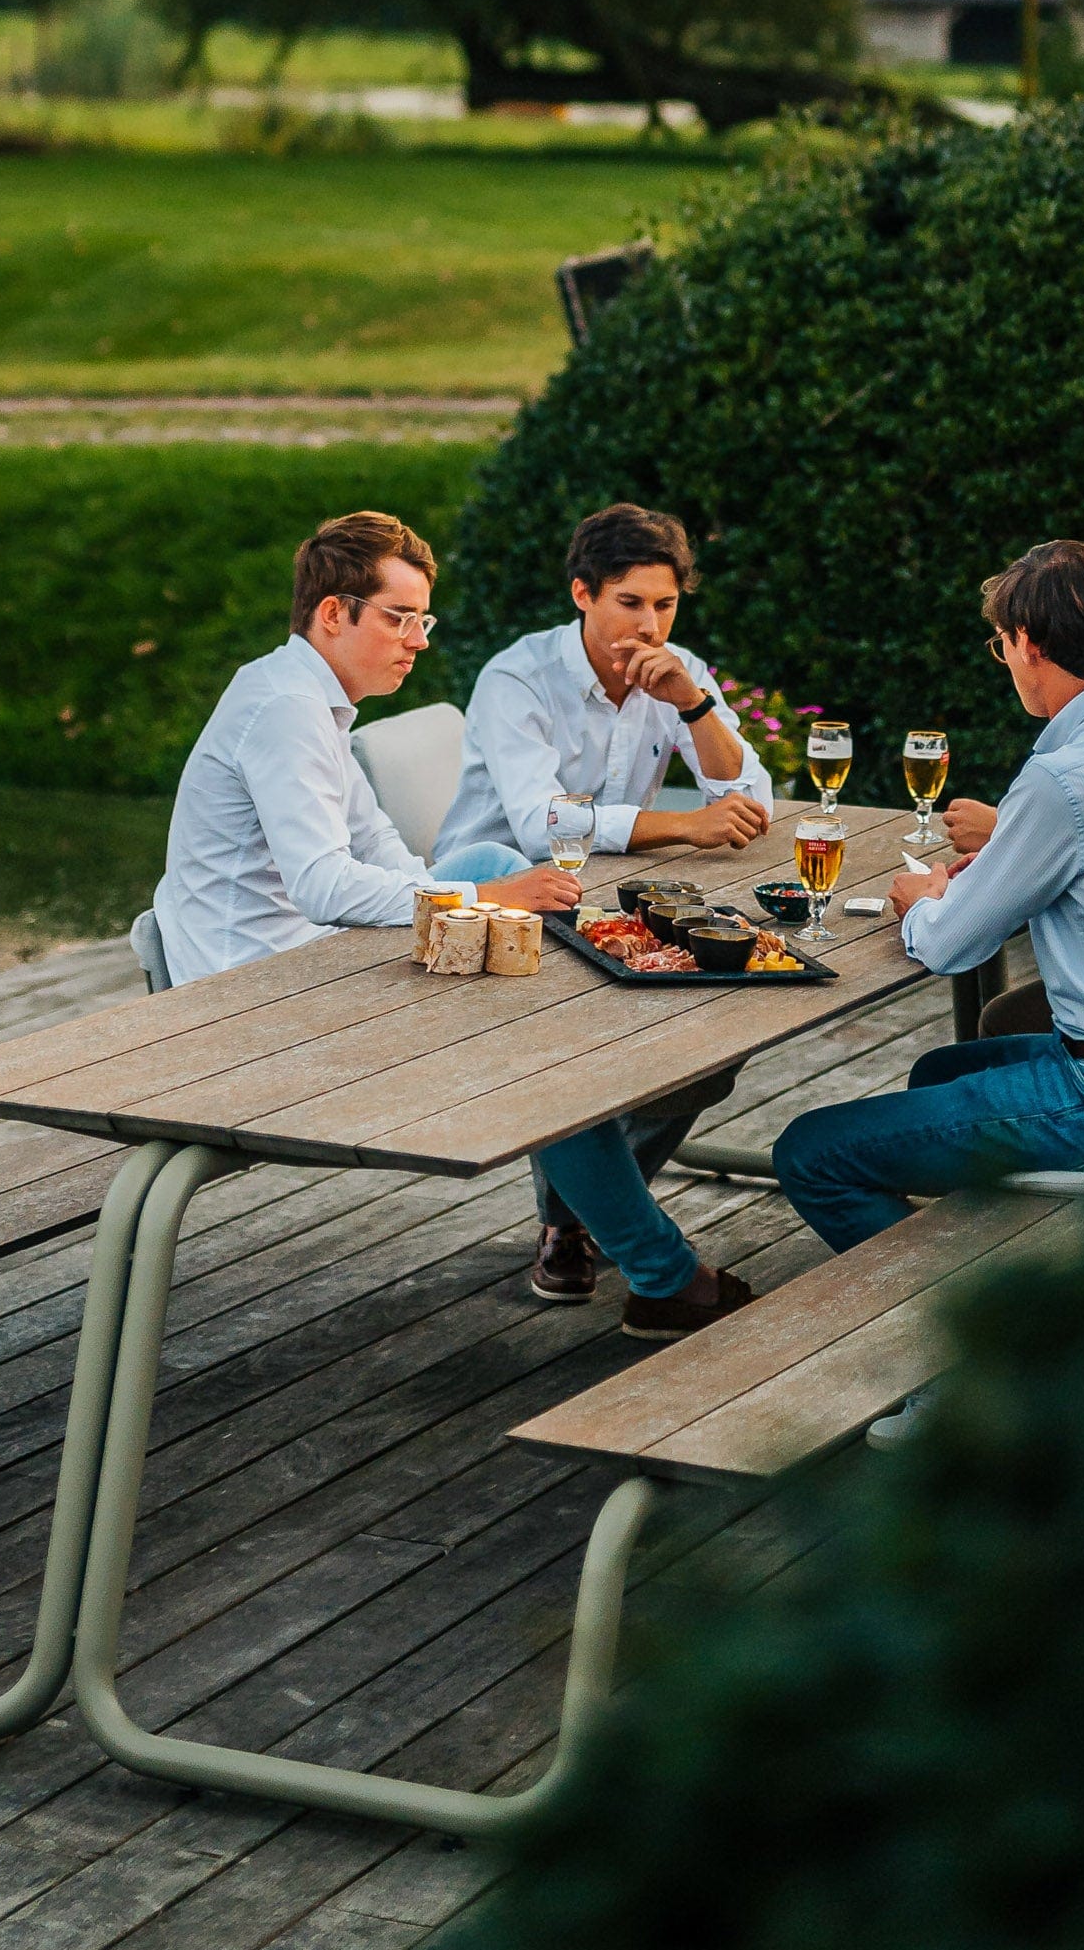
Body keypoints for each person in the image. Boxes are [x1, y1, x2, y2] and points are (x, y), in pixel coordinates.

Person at [134, 506, 752, 1346]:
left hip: (314, 958)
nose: (418, 640)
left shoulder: (311, 697)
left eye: (423, 619)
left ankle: (577, 1070)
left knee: (490, 866)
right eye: (399, 618)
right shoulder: (283, 709)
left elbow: (379, 848)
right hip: (263, 997)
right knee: (530, 1050)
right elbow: (322, 886)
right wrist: (488, 904)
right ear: (332, 613)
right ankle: (662, 1274)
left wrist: (474, 892)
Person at [772, 539, 1084, 1264]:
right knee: (940, 1072)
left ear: (1026, 642)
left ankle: (942, 1336)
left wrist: (922, 897)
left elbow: (946, 946)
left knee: (810, 1150)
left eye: (1001, 646)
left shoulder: (1062, 776)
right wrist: (1006, 865)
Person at [434, 501, 776, 1311]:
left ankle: (574, 1219)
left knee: (715, 1043)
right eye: (630, 603)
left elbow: (751, 794)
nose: (649, 625)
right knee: (591, 1057)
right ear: (583, 593)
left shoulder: (673, 666)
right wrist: (687, 826)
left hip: (605, 905)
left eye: (664, 605)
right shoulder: (517, 677)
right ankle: (591, 1234)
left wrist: (693, 706)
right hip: (498, 905)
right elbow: (537, 820)